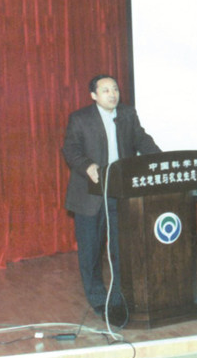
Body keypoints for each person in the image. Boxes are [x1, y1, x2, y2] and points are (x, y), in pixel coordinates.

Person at [62, 74, 161, 328]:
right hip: (89, 195)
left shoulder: (127, 114)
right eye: (105, 90)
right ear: (94, 96)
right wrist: (88, 165)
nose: (112, 94)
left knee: (121, 249)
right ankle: (97, 299)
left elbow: (141, 140)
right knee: (91, 251)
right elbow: (70, 149)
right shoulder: (80, 118)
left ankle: (118, 298)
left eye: (115, 89)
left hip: (121, 193)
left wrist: (160, 160)